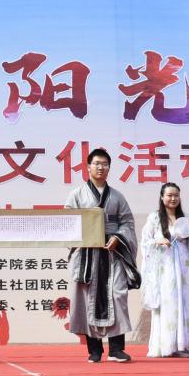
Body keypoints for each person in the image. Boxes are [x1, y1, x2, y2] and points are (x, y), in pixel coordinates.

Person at [65, 148, 139, 363]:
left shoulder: (117, 196)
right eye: (96, 163)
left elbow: (127, 223)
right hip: (87, 255)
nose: (100, 167)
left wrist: (118, 237)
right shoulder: (77, 194)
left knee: (117, 295)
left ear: (109, 168)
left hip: (112, 252)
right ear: (88, 167)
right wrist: (86, 234)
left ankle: (116, 349)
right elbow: (67, 222)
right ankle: (94, 350)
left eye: (104, 164)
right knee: (87, 298)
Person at [140, 182, 189, 358]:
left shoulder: (184, 219)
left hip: (183, 269)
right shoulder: (154, 218)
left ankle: (184, 346)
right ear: (162, 197)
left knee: (185, 304)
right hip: (165, 269)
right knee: (168, 303)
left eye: (176, 195)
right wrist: (158, 241)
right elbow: (145, 242)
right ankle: (167, 346)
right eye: (169, 195)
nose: (173, 198)